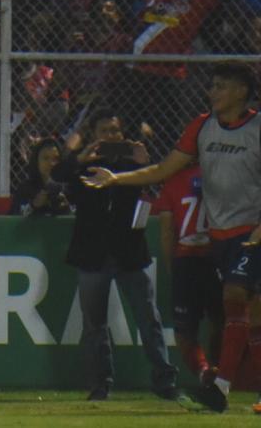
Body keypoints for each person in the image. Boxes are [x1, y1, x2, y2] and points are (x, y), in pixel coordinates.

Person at [83, 63, 261, 413]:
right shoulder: (201, 126)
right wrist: (116, 179)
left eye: (221, 86)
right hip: (220, 236)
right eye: (212, 85)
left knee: (235, 296)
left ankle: (221, 386)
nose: (213, 92)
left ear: (242, 91)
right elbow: (165, 169)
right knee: (252, 316)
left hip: (251, 230)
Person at [55, 108, 179, 401]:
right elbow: (57, 175)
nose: (111, 136)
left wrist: (143, 163)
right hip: (93, 253)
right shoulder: (83, 167)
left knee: (148, 317)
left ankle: (164, 378)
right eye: (104, 131)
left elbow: (161, 179)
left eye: (115, 131)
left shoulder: (131, 167)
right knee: (95, 324)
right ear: (94, 136)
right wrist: (79, 159)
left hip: (129, 252)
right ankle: (101, 382)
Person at [156, 164, 223, 386]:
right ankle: (220, 372)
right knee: (223, 321)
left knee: (184, 331)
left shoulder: (173, 181)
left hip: (186, 262)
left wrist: (171, 267)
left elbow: (167, 232)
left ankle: (204, 372)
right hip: (218, 257)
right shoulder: (224, 175)